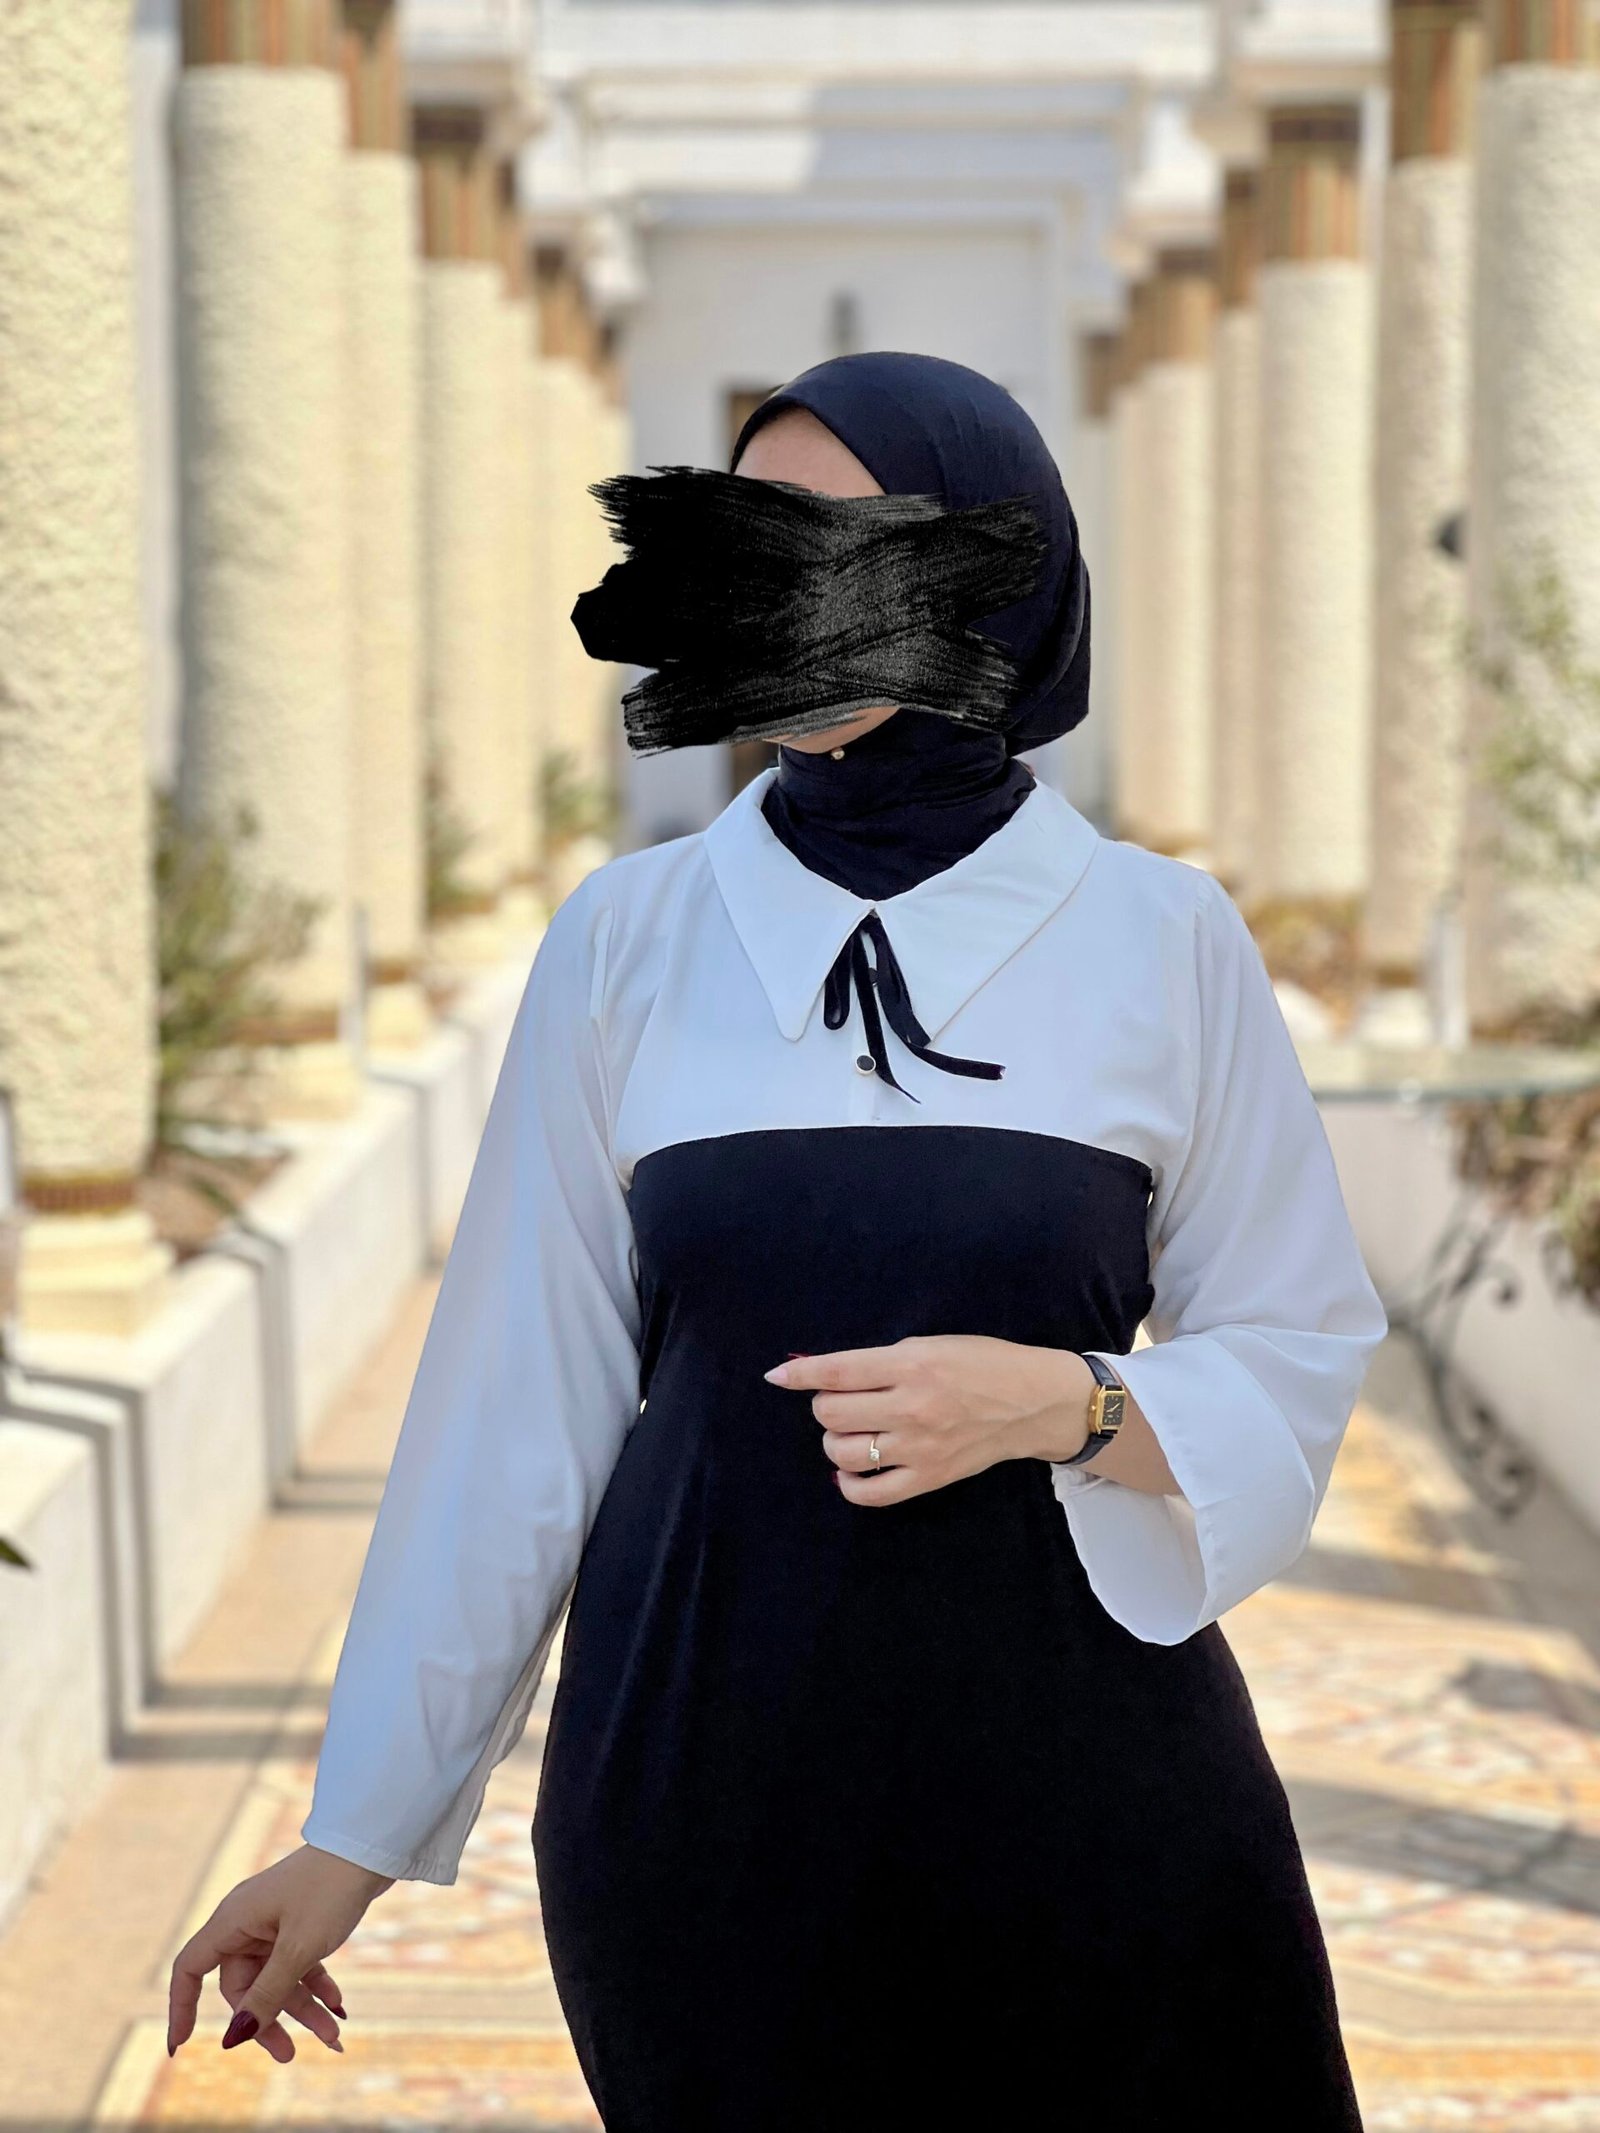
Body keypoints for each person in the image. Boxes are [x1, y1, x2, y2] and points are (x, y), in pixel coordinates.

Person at [167, 351, 1388, 2130]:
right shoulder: (626, 938)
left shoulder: (1165, 937)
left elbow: (1295, 1340)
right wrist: (351, 1836)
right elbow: (513, 1413)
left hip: (1097, 1804)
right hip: (700, 1810)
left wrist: (1067, 1402)